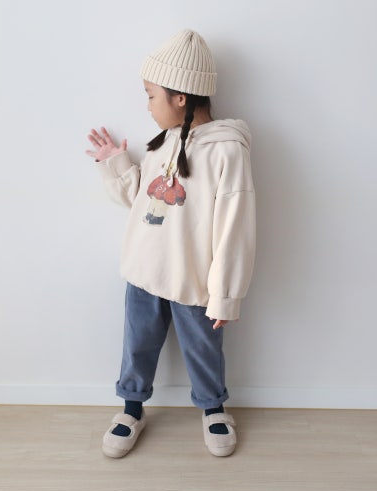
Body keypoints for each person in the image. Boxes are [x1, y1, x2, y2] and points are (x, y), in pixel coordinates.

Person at [85, 29, 255, 458]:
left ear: (180, 97)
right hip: (144, 271)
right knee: (137, 343)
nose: (147, 106)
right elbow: (145, 201)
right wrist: (116, 163)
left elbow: (234, 227)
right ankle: (131, 408)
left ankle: (213, 408)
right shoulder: (161, 145)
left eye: (150, 95)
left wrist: (226, 295)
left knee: (203, 347)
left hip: (192, 276)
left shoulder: (226, 151)